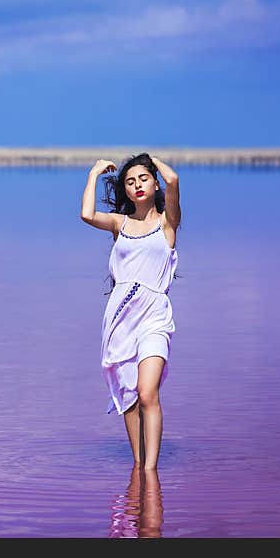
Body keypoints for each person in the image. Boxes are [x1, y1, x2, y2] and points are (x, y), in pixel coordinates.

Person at [80, 153, 181, 469]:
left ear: (153, 182)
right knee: (129, 398)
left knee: (146, 390)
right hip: (121, 319)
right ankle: (140, 468)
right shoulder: (119, 223)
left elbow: (174, 180)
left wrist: (152, 160)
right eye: (130, 181)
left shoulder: (167, 223)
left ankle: (151, 470)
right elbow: (85, 214)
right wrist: (95, 173)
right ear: (124, 190)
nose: (137, 185)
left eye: (143, 179)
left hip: (154, 317)